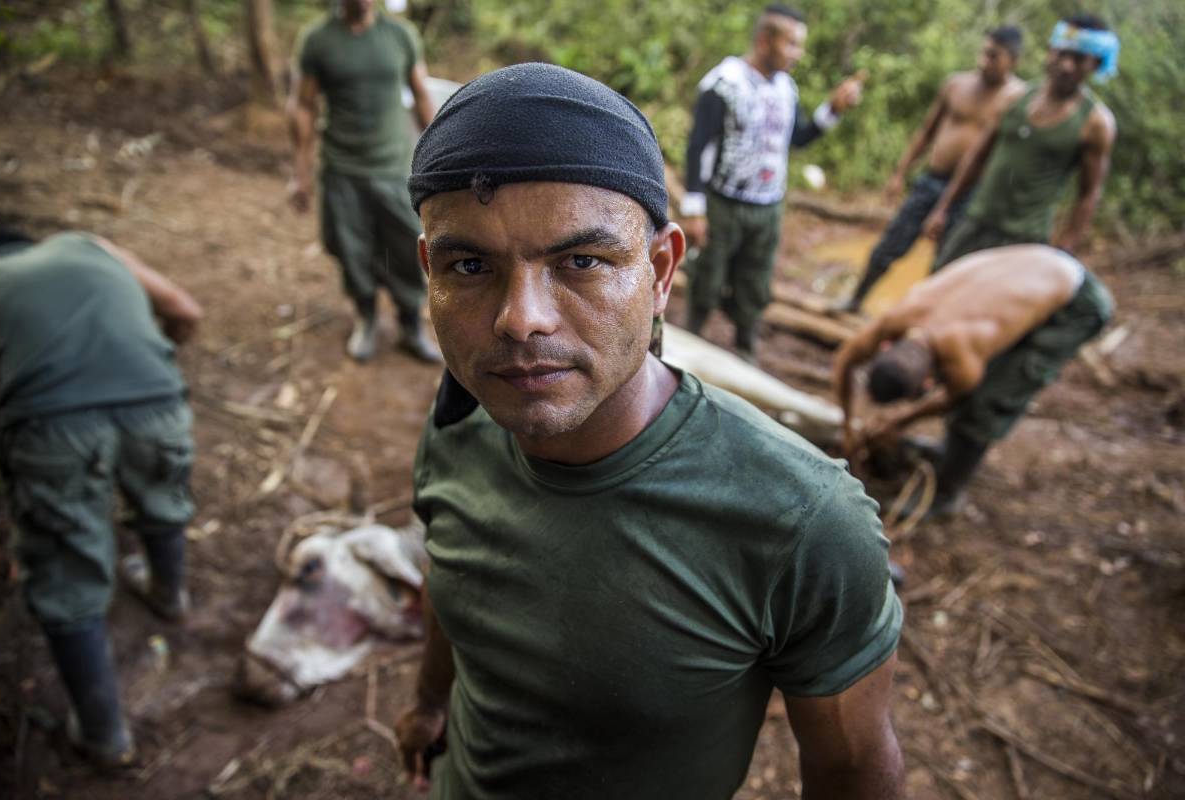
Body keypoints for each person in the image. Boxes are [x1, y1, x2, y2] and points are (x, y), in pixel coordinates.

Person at [393, 63, 905, 799]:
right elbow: (453, 578)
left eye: (582, 261)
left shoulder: (802, 521)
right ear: (429, 272)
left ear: (661, 272)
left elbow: (852, 769)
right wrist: (428, 700)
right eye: (469, 265)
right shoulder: (459, 428)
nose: (521, 319)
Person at [0, 228, 203, 767]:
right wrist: (155, 366)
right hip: (156, 399)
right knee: (162, 496)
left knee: (65, 574)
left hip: (51, 423)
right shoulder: (88, 246)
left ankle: (105, 735)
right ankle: (169, 594)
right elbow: (185, 311)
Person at [834, 244, 1112, 518]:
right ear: (886, 347)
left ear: (928, 382)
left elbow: (956, 397)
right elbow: (844, 362)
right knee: (995, 365)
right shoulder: (895, 318)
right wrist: (847, 425)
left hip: (1077, 303)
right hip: (1040, 263)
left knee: (989, 399)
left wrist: (898, 422)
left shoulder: (963, 354)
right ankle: (948, 451)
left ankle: (945, 495)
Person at [681, 4, 864, 361]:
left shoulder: (786, 88)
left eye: (800, 45)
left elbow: (799, 138)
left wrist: (834, 109)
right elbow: (697, 146)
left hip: (767, 207)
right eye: (792, 44)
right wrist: (695, 209)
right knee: (707, 279)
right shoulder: (724, 84)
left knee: (755, 284)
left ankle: (745, 353)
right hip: (723, 204)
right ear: (765, 40)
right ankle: (688, 346)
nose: (798, 54)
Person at [287, 0, 440, 363]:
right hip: (343, 168)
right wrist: (300, 173)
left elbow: (421, 93)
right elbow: (303, 105)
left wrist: (439, 154)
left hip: (395, 166)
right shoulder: (318, 40)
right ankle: (366, 318)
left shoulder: (400, 35)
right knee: (351, 248)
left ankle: (410, 324)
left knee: (408, 245)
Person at [840, 26, 1026, 312]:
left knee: (947, 263)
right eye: (984, 53)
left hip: (973, 194)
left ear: (1013, 60)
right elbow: (926, 131)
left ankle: (921, 322)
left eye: (994, 56)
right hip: (931, 181)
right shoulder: (957, 85)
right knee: (890, 244)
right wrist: (899, 173)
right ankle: (855, 300)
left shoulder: (1019, 100)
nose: (984, 61)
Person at [923, 14, 1118, 270]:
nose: (1067, 65)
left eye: (1079, 59)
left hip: (1026, 239)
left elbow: (1089, 193)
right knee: (941, 282)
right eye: (1062, 54)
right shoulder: (1012, 98)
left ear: (1095, 63)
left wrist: (1065, 247)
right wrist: (943, 208)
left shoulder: (1096, 124)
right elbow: (977, 157)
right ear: (1051, 52)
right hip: (976, 221)